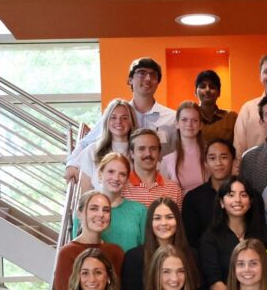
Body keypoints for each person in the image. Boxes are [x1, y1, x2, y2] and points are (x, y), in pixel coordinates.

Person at [67, 57, 176, 185]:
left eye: (153, 75)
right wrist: (72, 164)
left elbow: (179, 153)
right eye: (141, 73)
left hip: (158, 185)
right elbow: (86, 142)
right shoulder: (117, 114)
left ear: (158, 82)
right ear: (130, 80)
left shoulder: (172, 118)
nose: (147, 79)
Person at [199, 175, 267, 290]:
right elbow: (215, 284)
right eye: (231, 195)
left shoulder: (264, 235)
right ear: (222, 202)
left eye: (243, 195)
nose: (237, 200)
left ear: (250, 202)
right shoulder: (210, 238)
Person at [121, 197, 201, 290]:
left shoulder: (192, 255)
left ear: (178, 221)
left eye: (169, 217)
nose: (164, 223)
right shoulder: (134, 257)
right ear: (150, 223)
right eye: (157, 218)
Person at [54, 190, 125, 290]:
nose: (101, 214)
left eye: (106, 210)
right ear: (80, 214)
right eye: (94, 208)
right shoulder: (68, 252)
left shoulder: (116, 252)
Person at [66, 98, 137, 193]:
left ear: (131, 122)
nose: (118, 122)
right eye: (113, 117)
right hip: (101, 206)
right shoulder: (92, 151)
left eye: (124, 118)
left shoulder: (139, 152)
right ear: (106, 121)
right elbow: (85, 194)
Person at [182, 139, 235, 249]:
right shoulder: (192, 199)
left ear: (233, 160)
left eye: (224, 157)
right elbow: (191, 243)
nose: (218, 163)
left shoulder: (248, 195)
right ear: (205, 163)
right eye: (212, 158)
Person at [97, 152, 147, 253]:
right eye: (111, 171)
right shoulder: (85, 210)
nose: (116, 178)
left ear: (127, 180)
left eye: (122, 174)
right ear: (100, 174)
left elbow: (145, 251)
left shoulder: (140, 211)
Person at [122, 128, 183, 210]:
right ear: (132, 153)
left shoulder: (174, 190)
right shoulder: (121, 187)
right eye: (141, 149)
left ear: (159, 152)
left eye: (153, 148)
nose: (148, 154)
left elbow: (177, 222)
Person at [160, 102, 206, 195]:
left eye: (195, 120)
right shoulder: (167, 161)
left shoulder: (210, 156)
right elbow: (164, 197)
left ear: (201, 125)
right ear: (177, 124)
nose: (189, 124)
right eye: (184, 119)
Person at [194, 69, 237, 145]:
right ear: (195, 92)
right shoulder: (189, 119)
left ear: (219, 92)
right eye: (202, 86)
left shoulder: (231, 118)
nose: (207, 90)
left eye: (212, 87)